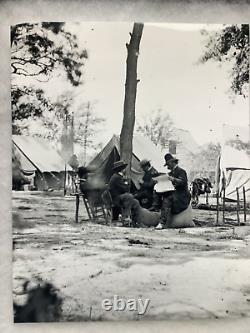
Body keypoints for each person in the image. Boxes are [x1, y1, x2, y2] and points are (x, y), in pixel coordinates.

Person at [156, 153, 191, 229]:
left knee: (167, 199)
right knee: (159, 193)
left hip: (182, 196)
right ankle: (156, 211)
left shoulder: (182, 171)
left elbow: (183, 182)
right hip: (173, 193)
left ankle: (162, 222)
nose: (168, 166)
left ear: (172, 162)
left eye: (168, 164)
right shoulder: (170, 173)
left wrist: (174, 179)